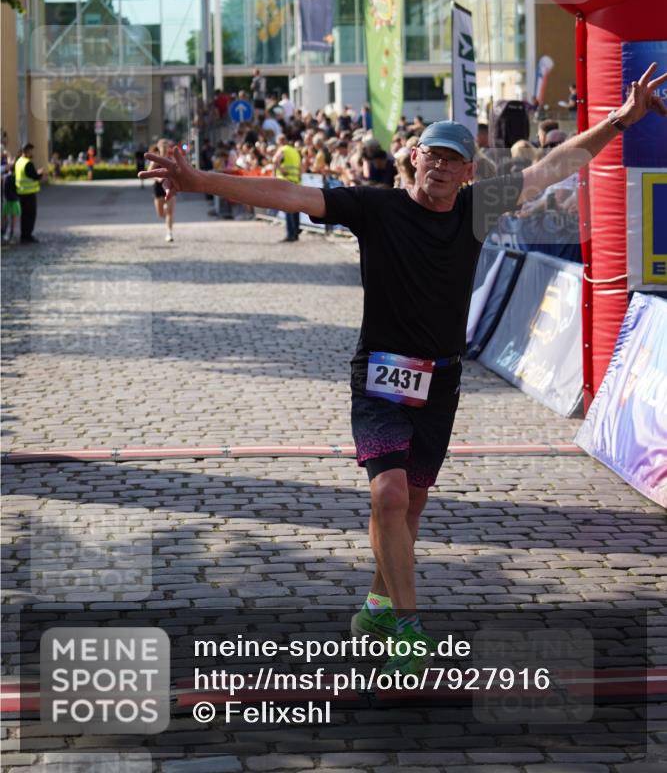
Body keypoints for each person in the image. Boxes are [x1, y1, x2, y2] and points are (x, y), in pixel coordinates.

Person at [141, 62, 667, 675]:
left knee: (409, 508)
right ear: (414, 158)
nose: (441, 168)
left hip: (441, 381)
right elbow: (287, 193)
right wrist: (200, 178)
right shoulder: (377, 209)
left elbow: (554, 166)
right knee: (388, 495)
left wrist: (619, 120)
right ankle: (410, 628)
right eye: (433, 156)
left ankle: (376, 606)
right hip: (380, 376)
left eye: (454, 161)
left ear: (470, 172)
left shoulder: (476, 209)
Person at [272, 134, 302, 242]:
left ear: (280, 142)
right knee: (296, 208)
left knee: (288, 208)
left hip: (286, 181)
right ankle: (296, 233)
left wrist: (277, 172)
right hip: (296, 181)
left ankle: (290, 234)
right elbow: (300, 167)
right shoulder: (295, 151)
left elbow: (275, 160)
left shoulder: (283, 149)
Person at [148, 139, 176, 242]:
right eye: (162, 147)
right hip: (158, 187)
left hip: (170, 187)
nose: (164, 149)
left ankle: (169, 233)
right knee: (160, 214)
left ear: (169, 148)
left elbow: (176, 172)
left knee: (170, 212)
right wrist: (158, 178)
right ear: (159, 147)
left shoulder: (171, 159)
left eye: (166, 147)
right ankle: (167, 217)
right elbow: (149, 172)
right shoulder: (156, 160)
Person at [15, 143, 43, 243]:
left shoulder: (18, 162)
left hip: (21, 192)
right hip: (29, 193)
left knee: (24, 216)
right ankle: (27, 236)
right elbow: (34, 176)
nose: (32, 153)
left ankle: (24, 235)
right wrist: (40, 173)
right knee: (30, 215)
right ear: (26, 151)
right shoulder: (27, 163)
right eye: (31, 151)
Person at [2, 158, 21, 244]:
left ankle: (4, 233)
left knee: (5, 216)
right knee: (12, 217)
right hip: (13, 199)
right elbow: (18, 188)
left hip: (7, 199)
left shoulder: (5, 177)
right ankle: (10, 233)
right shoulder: (16, 177)